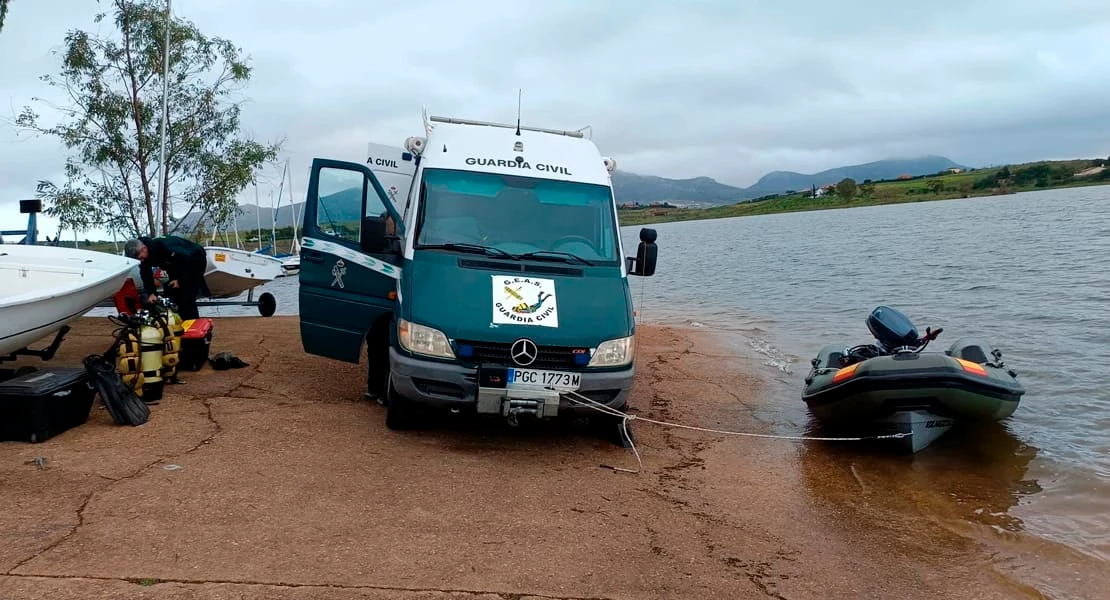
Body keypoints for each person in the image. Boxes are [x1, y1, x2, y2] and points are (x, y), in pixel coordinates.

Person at [123, 235, 210, 320]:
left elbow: (187, 260)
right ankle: (178, 318)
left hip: (195, 259)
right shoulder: (143, 254)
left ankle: (192, 322)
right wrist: (151, 293)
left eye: (141, 257)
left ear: (144, 248)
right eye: (139, 260)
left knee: (187, 294)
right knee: (171, 290)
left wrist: (180, 280)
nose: (142, 261)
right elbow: (146, 273)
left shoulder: (165, 246)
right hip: (175, 263)